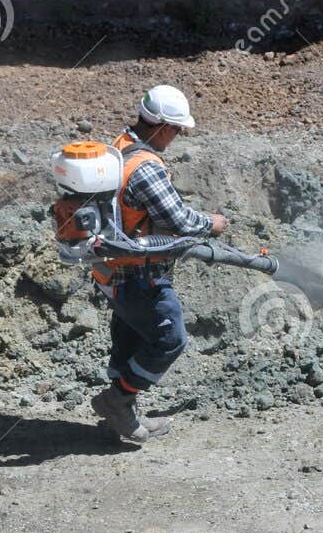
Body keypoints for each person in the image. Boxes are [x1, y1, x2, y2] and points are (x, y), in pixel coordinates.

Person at [88, 85, 229, 442]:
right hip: (139, 273)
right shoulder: (146, 166)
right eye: (178, 129)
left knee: (130, 335)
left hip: (110, 270)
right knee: (169, 338)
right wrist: (210, 224)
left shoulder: (118, 147)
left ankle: (121, 413)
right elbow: (179, 220)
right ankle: (118, 401)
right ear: (164, 126)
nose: (177, 137)